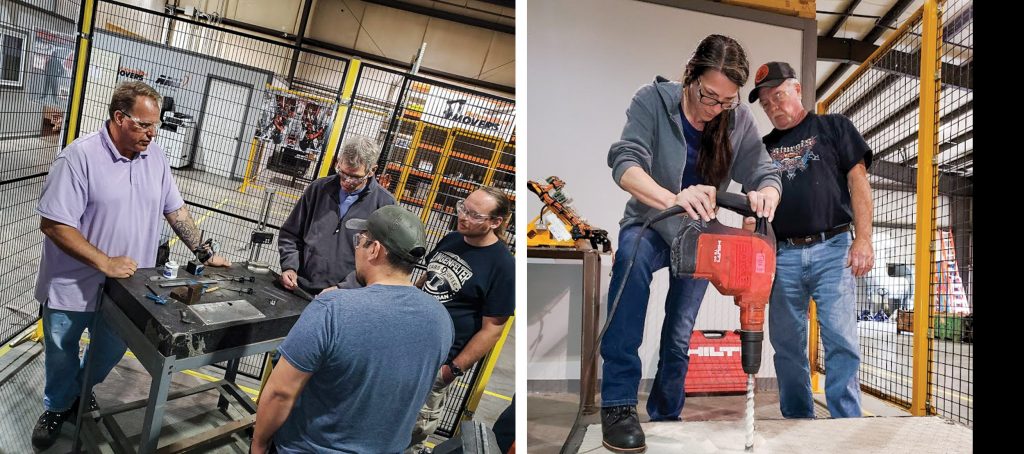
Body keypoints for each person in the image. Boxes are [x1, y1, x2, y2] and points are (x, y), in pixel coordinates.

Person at [600, 34, 783, 452]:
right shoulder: (652, 100)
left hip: (699, 233)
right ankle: (619, 404)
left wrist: (767, 193)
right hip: (649, 223)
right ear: (691, 76)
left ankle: (667, 413)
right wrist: (672, 198)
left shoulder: (736, 119)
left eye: (726, 101)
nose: (715, 108)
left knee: (680, 330)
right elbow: (624, 162)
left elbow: (764, 171)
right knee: (629, 274)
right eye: (708, 95)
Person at [31, 81, 230, 449]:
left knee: (111, 347)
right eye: (143, 125)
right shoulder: (79, 158)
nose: (152, 134)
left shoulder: (154, 158)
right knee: (62, 349)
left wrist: (203, 250)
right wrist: (103, 261)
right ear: (119, 118)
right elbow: (54, 223)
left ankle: (81, 391)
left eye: (156, 125)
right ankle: (58, 406)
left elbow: (175, 208)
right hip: (71, 283)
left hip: (128, 286)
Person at [251, 205, 453, 453]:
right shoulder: (441, 318)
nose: (356, 247)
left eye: (360, 240)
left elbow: (280, 392)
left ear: (375, 249)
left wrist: (258, 445)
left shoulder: (333, 309)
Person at [749, 61, 873, 419]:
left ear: (798, 90)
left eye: (779, 96)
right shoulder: (761, 149)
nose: (774, 106)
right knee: (786, 346)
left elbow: (859, 183)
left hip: (834, 249)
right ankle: (799, 422)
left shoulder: (834, 127)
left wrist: (863, 239)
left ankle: (845, 424)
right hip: (781, 256)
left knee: (841, 342)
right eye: (767, 103)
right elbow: (751, 214)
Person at [406, 186, 515, 453]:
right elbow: (427, 278)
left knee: (410, 433)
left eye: (474, 214)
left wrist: (451, 371)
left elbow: (492, 330)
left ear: (495, 222)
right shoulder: (451, 238)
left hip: (437, 363)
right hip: (405, 348)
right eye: (462, 208)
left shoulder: (503, 266)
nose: (463, 216)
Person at [278, 136, 395, 295]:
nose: (346, 181)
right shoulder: (318, 189)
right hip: (300, 287)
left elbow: (382, 262)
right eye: (342, 173)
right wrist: (290, 266)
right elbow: (290, 234)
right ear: (338, 162)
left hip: (346, 298)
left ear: (372, 171)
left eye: (355, 177)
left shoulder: (384, 205)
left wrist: (345, 287)